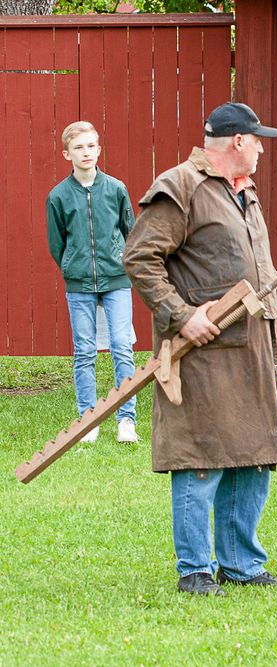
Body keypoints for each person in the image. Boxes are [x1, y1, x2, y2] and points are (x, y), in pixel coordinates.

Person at [123, 102, 277, 596]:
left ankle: (240, 565)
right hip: (202, 348)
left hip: (252, 346)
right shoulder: (181, 186)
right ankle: (195, 569)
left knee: (251, 454)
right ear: (238, 141)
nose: (262, 147)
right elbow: (139, 257)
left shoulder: (246, 192)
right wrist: (182, 315)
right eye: (258, 139)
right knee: (201, 456)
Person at [46, 121, 138, 444]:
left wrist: (119, 263)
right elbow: (57, 244)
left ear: (99, 150)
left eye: (90, 146)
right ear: (66, 154)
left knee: (122, 347)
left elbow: (130, 231)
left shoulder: (116, 189)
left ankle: (127, 419)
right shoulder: (58, 196)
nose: (85, 152)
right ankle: (89, 419)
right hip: (80, 284)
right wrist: (74, 267)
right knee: (84, 351)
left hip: (117, 281)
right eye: (78, 147)